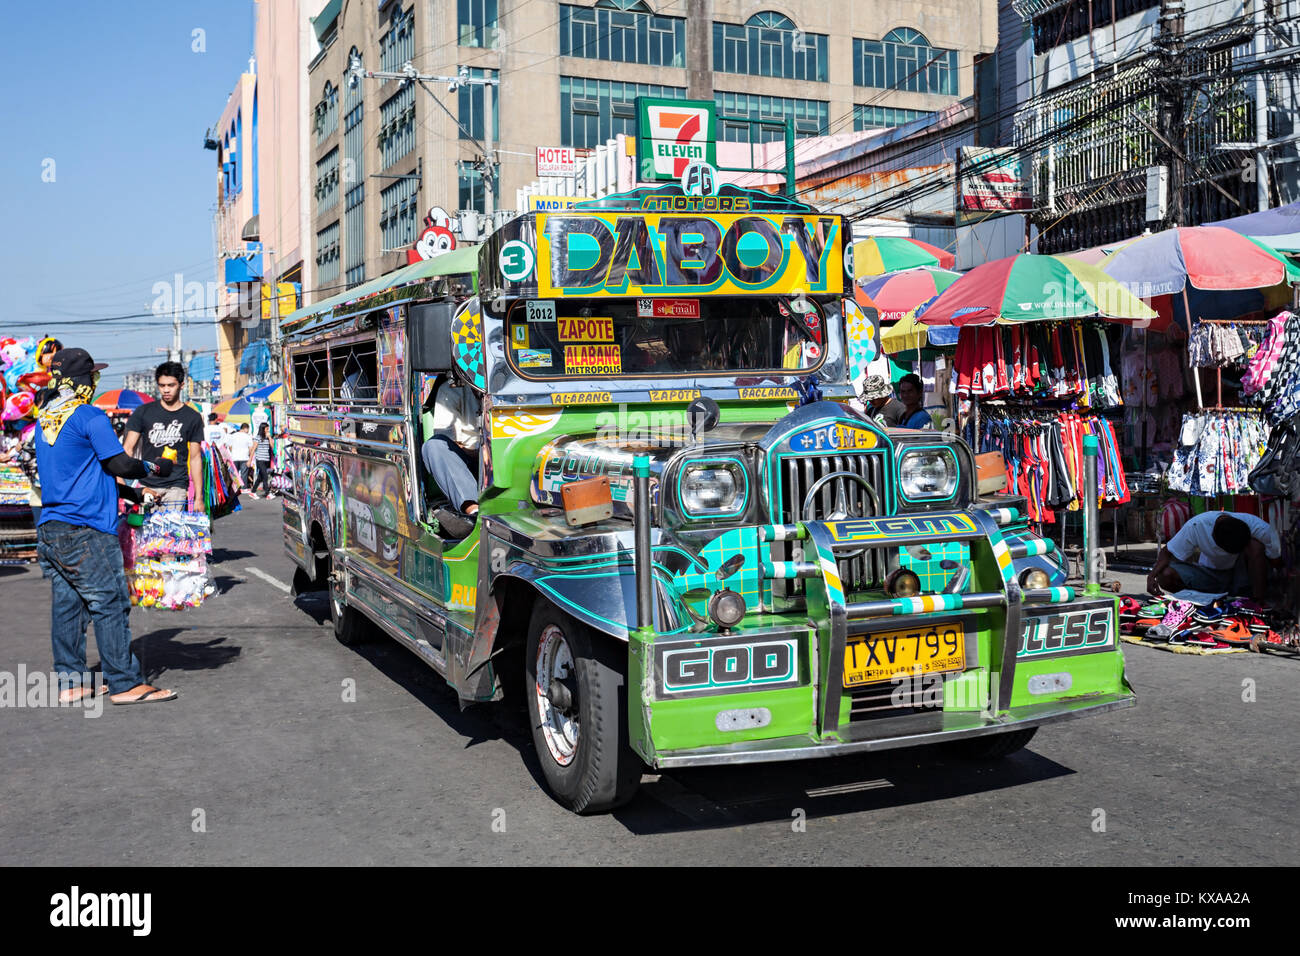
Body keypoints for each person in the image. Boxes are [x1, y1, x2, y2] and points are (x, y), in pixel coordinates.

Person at [32, 347, 177, 705]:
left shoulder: (46, 420)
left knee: (69, 607)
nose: (95, 382)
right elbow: (118, 464)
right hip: (86, 531)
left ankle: (72, 681)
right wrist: (152, 469)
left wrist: (134, 493)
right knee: (109, 602)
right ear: (85, 380)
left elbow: (86, 472)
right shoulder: (89, 417)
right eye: (93, 376)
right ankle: (125, 682)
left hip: (52, 528)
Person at [1148, 511, 1281, 603]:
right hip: (1212, 576)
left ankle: (1257, 601)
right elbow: (1168, 553)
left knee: (1255, 546)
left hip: (1243, 579)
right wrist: (1152, 576)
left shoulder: (1258, 527)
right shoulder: (1197, 525)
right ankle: (1195, 601)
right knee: (1165, 575)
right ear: (1214, 540)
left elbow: (1278, 560)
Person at [123, 362, 204, 510]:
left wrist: (199, 498)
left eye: (171, 385)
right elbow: (127, 449)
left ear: (181, 385)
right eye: (162, 385)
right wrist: (123, 487)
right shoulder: (143, 412)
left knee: (172, 532)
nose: (166, 390)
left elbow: (195, 458)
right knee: (147, 531)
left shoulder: (193, 417)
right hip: (147, 485)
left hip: (177, 487)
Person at [419, 377, 480, 539]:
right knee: (434, 446)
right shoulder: (452, 389)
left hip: (502, 456)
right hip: (469, 460)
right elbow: (446, 440)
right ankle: (472, 511)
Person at [248, 423, 274, 499]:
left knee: (260, 477)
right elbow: (253, 449)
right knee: (265, 476)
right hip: (260, 460)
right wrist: (250, 460)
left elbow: (272, 446)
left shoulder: (268, 437)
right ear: (263, 429)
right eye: (266, 429)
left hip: (266, 460)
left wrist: (269, 437)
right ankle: (267, 493)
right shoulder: (258, 437)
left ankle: (253, 492)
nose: (268, 430)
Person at [225, 423, 254, 488]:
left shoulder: (233, 435)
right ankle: (243, 489)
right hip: (244, 457)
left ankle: (235, 489)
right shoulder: (248, 436)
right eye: (248, 430)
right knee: (244, 475)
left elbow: (230, 446)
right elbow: (251, 449)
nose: (248, 431)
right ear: (245, 428)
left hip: (235, 457)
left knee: (235, 475)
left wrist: (233, 452)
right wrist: (250, 458)